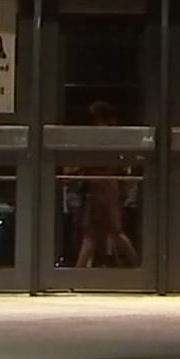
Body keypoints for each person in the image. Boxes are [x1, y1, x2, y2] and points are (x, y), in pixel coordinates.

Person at [74, 101, 138, 269]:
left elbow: (95, 160)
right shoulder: (108, 136)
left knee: (111, 230)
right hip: (102, 184)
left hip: (104, 185)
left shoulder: (104, 137)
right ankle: (78, 271)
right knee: (93, 233)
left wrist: (80, 169)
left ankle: (137, 265)